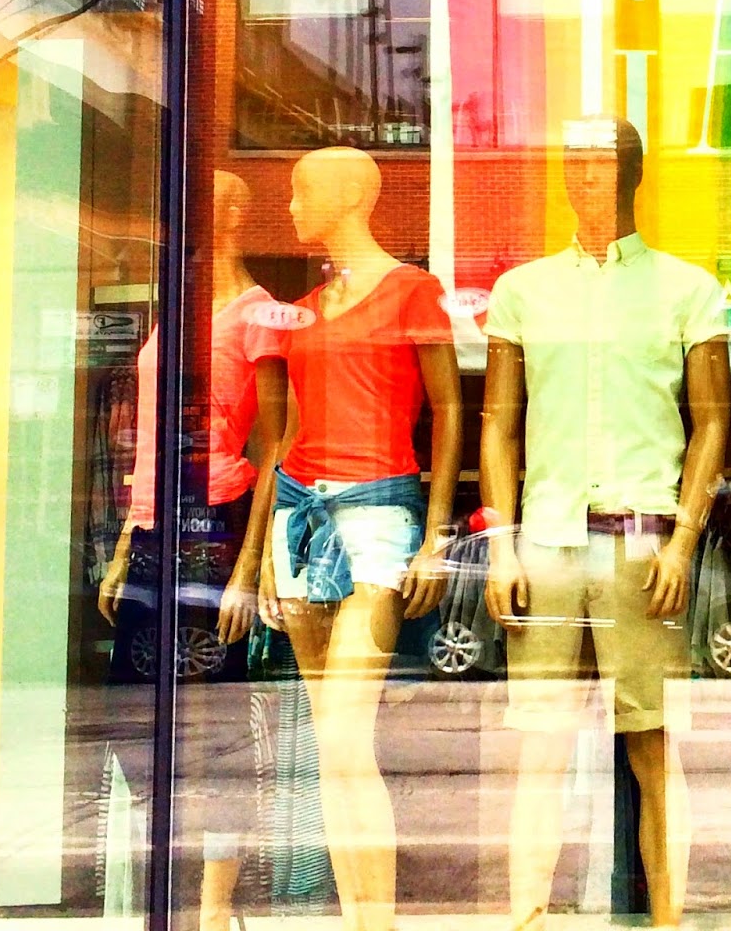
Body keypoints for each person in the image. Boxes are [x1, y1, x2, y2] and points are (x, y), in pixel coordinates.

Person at [481, 116, 730, 931]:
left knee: (652, 748)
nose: (584, 178)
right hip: (547, 544)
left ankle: (668, 920)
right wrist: (500, 546)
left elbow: (713, 423)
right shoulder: (523, 290)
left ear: (632, 175)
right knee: (540, 750)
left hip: (643, 542)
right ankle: (526, 918)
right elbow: (498, 426)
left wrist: (684, 540)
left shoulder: (687, 289)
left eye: (600, 164)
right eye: (573, 163)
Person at [258, 146, 462, 931]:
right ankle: (357, 918)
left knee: (346, 738)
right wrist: (263, 553)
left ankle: (380, 922)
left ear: (348, 197)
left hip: (379, 515)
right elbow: (288, 434)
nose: (290, 206)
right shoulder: (306, 308)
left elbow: (449, 412)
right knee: (327, 744)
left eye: (300, 191)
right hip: (299, 513)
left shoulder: (413, 290)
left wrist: (436, 535)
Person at [99, 170, 289, 931]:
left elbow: (276, 445)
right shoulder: (173, 307)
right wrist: (124, 544)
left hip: (216, 525)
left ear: (237, 215)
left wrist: (250, 564)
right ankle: (164, 897)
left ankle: (214, 908)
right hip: (153, 531)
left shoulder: (257, 316)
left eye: (212, 203)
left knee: (215, 728)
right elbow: (149, 440)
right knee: (133, 723)